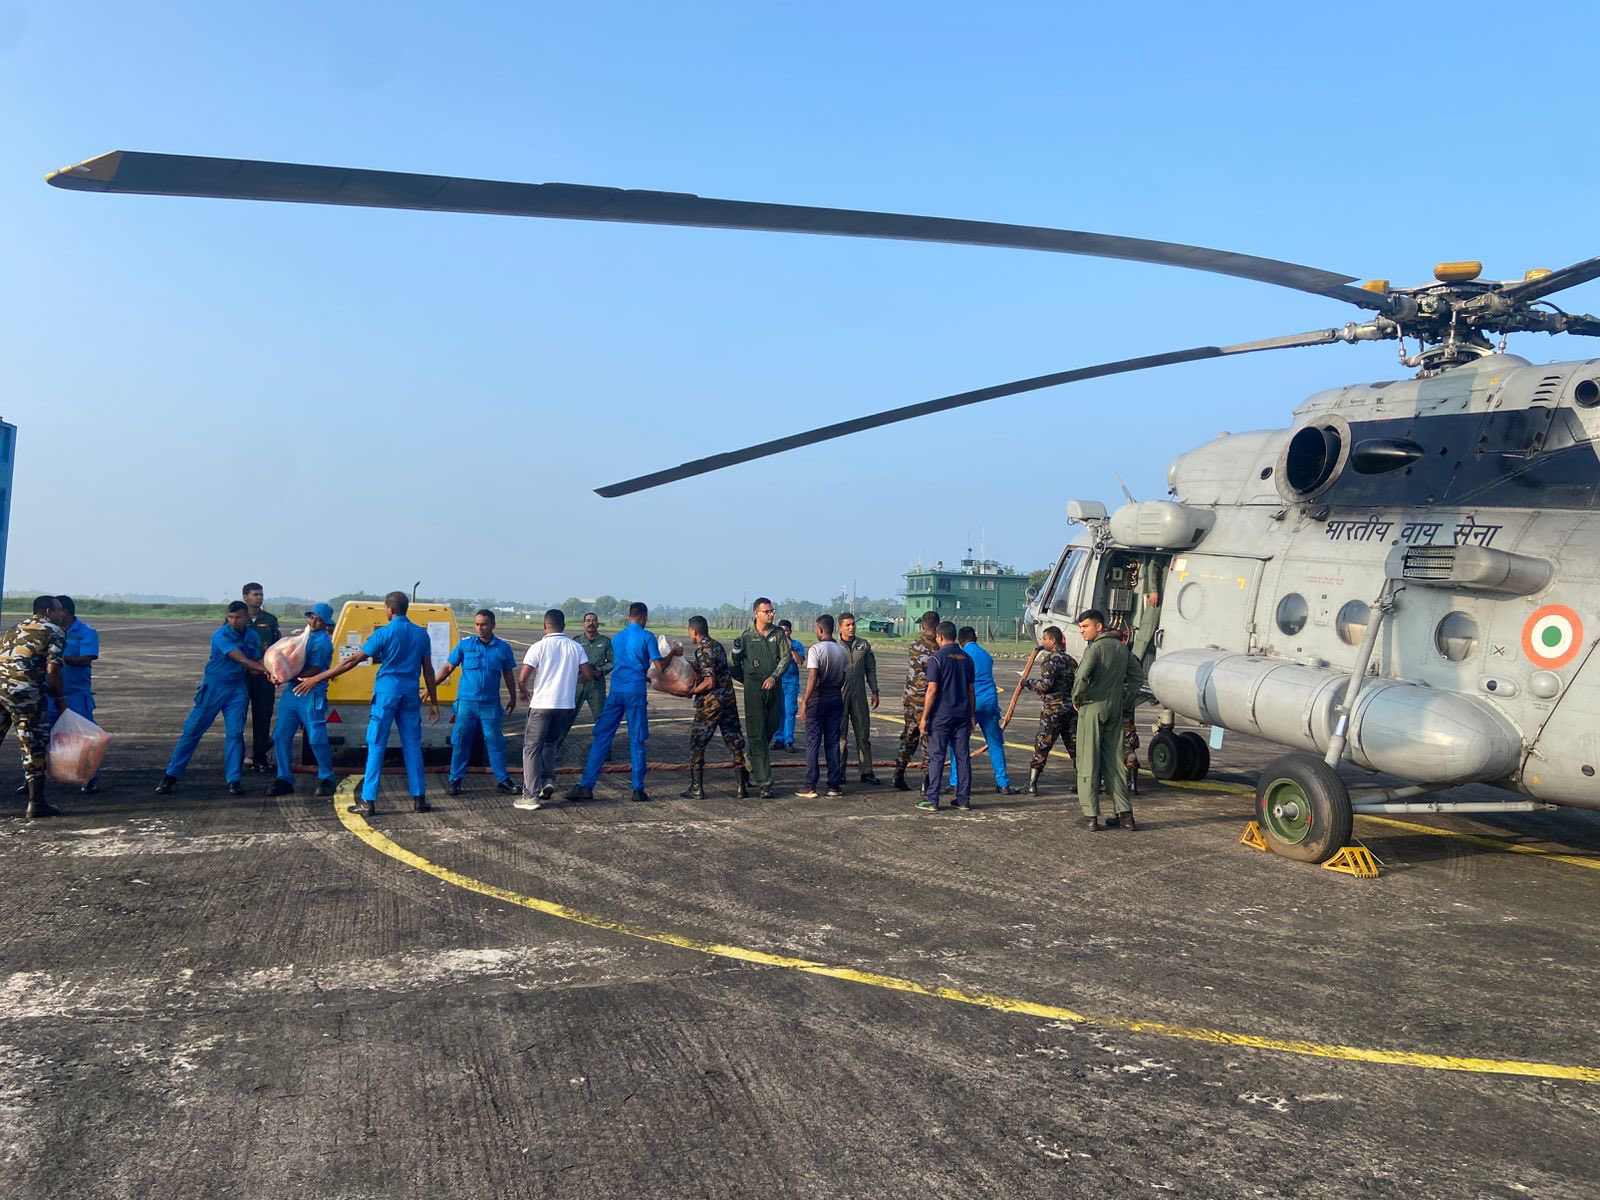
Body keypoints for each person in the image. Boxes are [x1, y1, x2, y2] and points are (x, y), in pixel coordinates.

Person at [296, 590, 438, 817]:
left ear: (390, 609)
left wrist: (316, 678)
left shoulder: (384, 633)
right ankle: (419, 798)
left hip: (386, 694)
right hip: (410, 694)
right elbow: (429, 671)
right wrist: (434, 701)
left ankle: (368, 800)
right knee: (412, 746)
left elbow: (352, 660)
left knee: (377, 745)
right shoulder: (421, 635)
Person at [156, 601, 269, 798]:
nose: (234, 621)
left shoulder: (252, 636)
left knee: (235, 734)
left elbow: (253, 665)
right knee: (192, 731)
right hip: (214, 687)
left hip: (236, 689)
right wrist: (264, 669)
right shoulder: (221, 634)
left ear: (245, 617)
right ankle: (171, 775)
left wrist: (275, 669)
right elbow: (241, 659)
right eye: (230, 617)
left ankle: (234, 779)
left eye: (238, 617)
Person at [566, 602, 674, 803]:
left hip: (616, 692)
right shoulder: (646, 636)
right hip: (635, 693)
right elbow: (658, 666)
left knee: (601, 738)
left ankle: (587, 785)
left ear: (628, 616)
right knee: (637, 740)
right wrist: (672, 654)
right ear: (644, 617)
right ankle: (637, 789)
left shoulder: (617, 638)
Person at [1072, 608, 1145, 831]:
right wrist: (1124, 698)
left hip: (1092, 706)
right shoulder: (1122, 650)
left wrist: (1077, 697)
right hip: (1115, 708)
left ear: (1099, 627)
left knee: (1087, 760)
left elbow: (1082, 675)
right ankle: (1125, 815)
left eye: (1086, 627)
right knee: (1114, 760)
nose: (1082, 631)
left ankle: (1090, 815)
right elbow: (1137, 677)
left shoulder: (1095, 649)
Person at [435, 609, 519, 797]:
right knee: (461, 742)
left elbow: (507, 674)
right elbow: (448, 667)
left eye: (484, 624)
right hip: (467, 704)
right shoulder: (465, 645)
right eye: (477, 624)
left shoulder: (503, 648)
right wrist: (429, 687)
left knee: (495, 741)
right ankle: (455, 780)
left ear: (493, 625)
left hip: (490, 704)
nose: (479, 628)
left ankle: (502, 779)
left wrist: (513, 696)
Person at [0, 596, 69, 818]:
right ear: (48, 611)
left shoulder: (14, 628)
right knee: (32, 745)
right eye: (59, 610)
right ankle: (36, 802)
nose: (62, 614)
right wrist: (59, 697)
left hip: (0, 689)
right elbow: (53, 669)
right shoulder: (54, 631)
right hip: (25, 693)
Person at [517, 609, 592, 809]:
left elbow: (523, 676)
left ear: (544, 626)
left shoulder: (538, 647)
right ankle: (548, 779)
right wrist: (570, 681)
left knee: (532, 748)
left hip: (542, 704)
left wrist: (523, 691)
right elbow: (587, 674)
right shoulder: (576, 647)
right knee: (551, 743)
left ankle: (530, 794)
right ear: (564, 626)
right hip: (564, 705)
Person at [267, 603, 338, 798]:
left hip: (312, 691)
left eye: (318, 619)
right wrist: (276, 673)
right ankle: (284, 778)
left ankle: (327, 777)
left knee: (316, 737)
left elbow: (316, 669)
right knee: (281, 735)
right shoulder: (302, 636)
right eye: (311, 617)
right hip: (293, 691)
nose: (313, 621)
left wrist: (284, 676)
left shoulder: (323, 642)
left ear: (325, 623)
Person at [682, 615, 748, 799]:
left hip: (711, 704)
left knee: (697, 744)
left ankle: (696, 788)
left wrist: (692, 691)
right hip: (728, 701)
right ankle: (741, 787)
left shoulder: (703, 650)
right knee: (735, 743)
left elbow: (709, 681)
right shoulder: (717, 645)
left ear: (694, 631)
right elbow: (713, 668)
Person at [730, 598, 790, 799]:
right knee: (756, 735)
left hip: (774, 687)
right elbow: (734, 665)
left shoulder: (778, 633)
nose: (771, 614)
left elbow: (786, 658)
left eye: (772, 611)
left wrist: (774, 677)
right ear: (756, 613)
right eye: (767, 611)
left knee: (770, 729)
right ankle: (765, 782)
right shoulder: (746, 637)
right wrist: (748, 681)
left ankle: (748, 762)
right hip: (754, 690)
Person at [947, 626, 1018, 795]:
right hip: (990, 701)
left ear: (961, 640)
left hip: (970, 702)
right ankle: (1003, 783)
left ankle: (956, 782)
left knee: (959, 743)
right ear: (976, 638)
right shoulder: (986, 655)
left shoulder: (962, 655)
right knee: (995, 743)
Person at [917, 621, 977, 812]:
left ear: (940, 637)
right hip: (962, 715)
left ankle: (932, 799)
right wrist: (972, 715)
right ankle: (963, 799)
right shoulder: (967, 659)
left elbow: (932, 689)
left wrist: (924, 717)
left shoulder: (936, 659)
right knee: (962, 757)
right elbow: (970, 690)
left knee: (937, 756)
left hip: (942, 715)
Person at [795, 614, 850, 799]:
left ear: (819, 629)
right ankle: (834, 785)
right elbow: (843, 677)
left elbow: (812, 677)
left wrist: (804, 702)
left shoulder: (816, 649)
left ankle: (810, 785)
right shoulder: (842, 651)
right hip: (836, 696)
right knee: (833, 742)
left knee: (813, 742)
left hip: (818, 699)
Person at [50, 595, 101, 794]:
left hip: (75, 693)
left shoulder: (86, 632)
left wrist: (58, 659)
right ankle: (32, 778)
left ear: (66, 612)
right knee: (40, 735)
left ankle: (90, 778)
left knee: (86, 736)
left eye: (55, 609)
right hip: (50, 692)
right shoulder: (49, 631)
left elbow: (86, 659)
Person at [1023, 625, 1077, 796]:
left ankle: (1032, 784)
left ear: (1053, 640)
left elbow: (1046, 685)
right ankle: (1086, 782)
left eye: (1045, 639)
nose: (1043, 642)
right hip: (1070, 711)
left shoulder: (1051, 660)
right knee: (1075, 748)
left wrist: (1029, 683)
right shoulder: (1071, 660)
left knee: (1042, 745)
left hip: (1053, 711)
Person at [893, 610, 941, 791]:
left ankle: (899, 771)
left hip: (910, 698)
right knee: (929, 740)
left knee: (909, 735)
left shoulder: (914, 644)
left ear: (922, 625)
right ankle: (926, 781)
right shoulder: (938, 648)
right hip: (929, 700)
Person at [241, 582, 280, 774]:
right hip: (242, 676)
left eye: (261, 594)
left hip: (264, 676)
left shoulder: (270, 620)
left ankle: (259, 758)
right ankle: (237, 758)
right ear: (245, 597)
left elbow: (276, 647)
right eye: (255, 594)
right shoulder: (237, 619)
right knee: (237, 718)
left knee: (263, 717)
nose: (259, 597)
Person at [837, 612, 880, 785]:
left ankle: (867, 771)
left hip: (859, 694)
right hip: (839, 694)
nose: (852, 627)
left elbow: (871, 669)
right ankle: (839, 771)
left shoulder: (863, 645)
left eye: (853, 624)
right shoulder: (834, 646)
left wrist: (875, 690)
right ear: (840, 627)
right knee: (840, 736)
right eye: (847, 625)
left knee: (863, 733)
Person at [573, 611, 613, 749]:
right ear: (583, 624)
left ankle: (604, 751)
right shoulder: (576, 641)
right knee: (566, 718)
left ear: (598, 623)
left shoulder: (605, 642)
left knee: (601, 719)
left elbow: (613, 661)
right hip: (578, 685)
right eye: (588, 620)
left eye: (594, 620)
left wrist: (602, 670)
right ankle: (554, 749)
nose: (591, 623)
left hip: (596, 686)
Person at [774, 619, 805, 751]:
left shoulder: (797, 645)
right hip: (777, 680)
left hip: (790, 681)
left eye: (786, 630)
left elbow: (800, 662)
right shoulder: (773, 645)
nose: (783, 633)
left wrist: (791, 650)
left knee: (790, 711)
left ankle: (788, 740)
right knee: (777, 711)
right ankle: (778, 739)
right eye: (781, 630)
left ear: (790, 631)